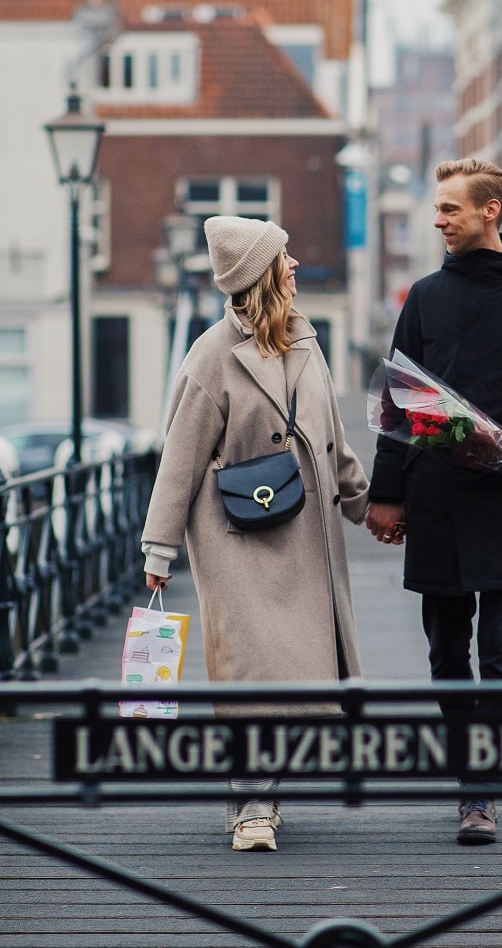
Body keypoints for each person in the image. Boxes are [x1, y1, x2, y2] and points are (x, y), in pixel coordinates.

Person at [365, 158, 502, 845]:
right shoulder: (425, 297)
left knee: (500, 652)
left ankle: (479, 792)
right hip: (437, 498)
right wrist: (387, 494)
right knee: (444, 650)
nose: (438, 221)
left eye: (449, 210)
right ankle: (471, 768)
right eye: (438, 210)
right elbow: (398, 402)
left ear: (489, 211)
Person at [139, 214, 371, 853]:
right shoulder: (212, 356)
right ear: (261, 276)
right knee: (249, 673)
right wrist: (159, 548)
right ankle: (251, 805)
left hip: (305, 537)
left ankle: (267, 789)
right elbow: (178, 455)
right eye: (285, 257)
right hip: (237, 538)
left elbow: (332, 441)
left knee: (295, 673)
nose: (296, 265)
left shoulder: (306, 342)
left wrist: (366, 505)